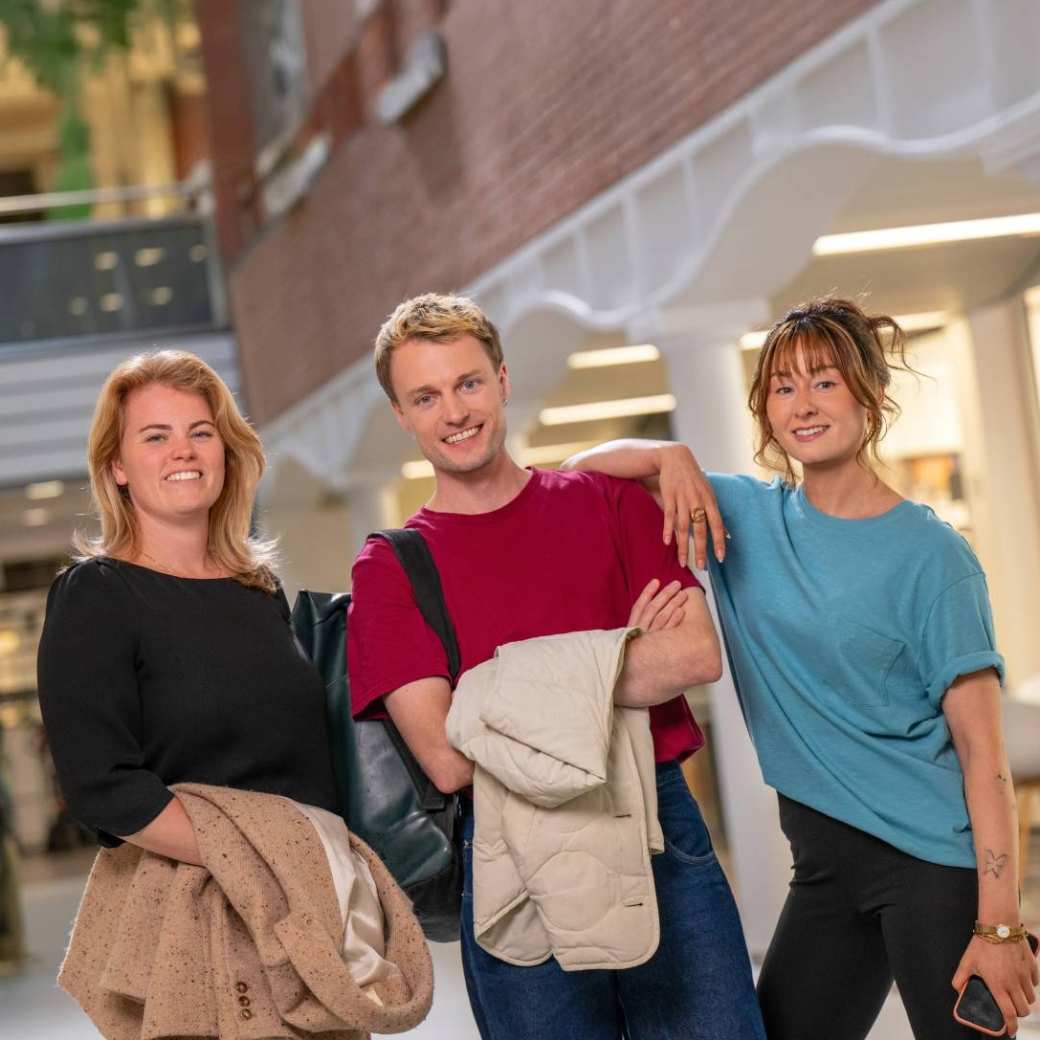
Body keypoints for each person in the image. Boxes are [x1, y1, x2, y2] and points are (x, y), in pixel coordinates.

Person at [564, 296, 1040, 1040]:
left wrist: (1002, 926)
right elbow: (576, 477)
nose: (802, 404)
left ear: (871, 395)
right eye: (782, 387)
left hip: (930, 864)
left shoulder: (932, 557)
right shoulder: (736, 514)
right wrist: (670, 456)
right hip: (823, 864)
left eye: (824, 380)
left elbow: (984, 757)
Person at [347, 293, 766, 1040]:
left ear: (504, 380)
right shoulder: (391, 566)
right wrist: (620, 657)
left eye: (469, 383)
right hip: (511, 849)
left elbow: (696, 654)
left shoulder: (609, 502)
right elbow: (446, 756)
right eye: (426, 396)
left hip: (657, 829)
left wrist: (491, 692)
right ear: (402, 416)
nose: (454, 411)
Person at [36, 350, 339, 868]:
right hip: (196, 902)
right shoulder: (96, 596)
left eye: (201, 432)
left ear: (225, 450)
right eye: (156, 437)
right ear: (117, 466)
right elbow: (101, 785)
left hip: (315, 880)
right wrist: (257, 857)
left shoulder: (258, 588)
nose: (183, 451)